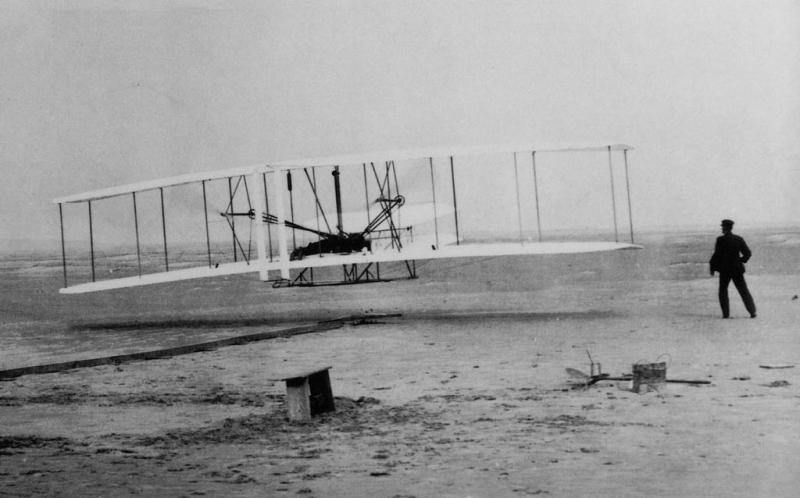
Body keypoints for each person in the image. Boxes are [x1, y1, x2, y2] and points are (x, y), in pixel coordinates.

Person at [709, 219, 756, 318]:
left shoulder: (720, 240)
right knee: (743, 290)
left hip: (725, 270)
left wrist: (712, 267)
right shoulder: (738, 239)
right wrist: (740, 260)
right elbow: (748, 253)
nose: (721, 228)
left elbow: (717, 255)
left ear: (725, 228)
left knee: (723, 291)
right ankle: (752, 312)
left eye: (722, 227)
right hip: (737, 269)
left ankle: (725, 314)